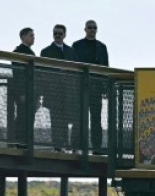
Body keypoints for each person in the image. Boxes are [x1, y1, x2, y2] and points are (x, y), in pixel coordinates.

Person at [72, 19, 109, 154]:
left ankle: (96, 147)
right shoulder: (76, 45)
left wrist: (106, 88)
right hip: (81, 87)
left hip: (96, 88)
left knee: (96, 119)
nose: (92, 30)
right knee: (79, 118)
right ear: (85, 29)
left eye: (94, 28)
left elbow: (106, 68)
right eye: (90, 28)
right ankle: (77, 146)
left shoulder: (102, 47)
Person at [41, 24, 80, 151]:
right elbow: (43, 72)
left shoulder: (71, 51)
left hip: (68, 92)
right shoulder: (45, 51)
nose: (57, 35)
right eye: (55, 33)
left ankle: (68, 145)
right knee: (56, 120)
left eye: (60, 33)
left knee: (67, 119)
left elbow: (76, 71)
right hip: (54, 92)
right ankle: (57, 146)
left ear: (64, 35)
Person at [8, 27, 36, 146]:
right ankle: (21, 142)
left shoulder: (28, 52)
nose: (33, 38)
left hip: (29, 91)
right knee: (22, 117)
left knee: (27, 117)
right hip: (24, 91)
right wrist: (21, 93)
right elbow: (18, 75)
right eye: (31, 35)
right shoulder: (20, 52)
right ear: (23, 37)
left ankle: (24, 141)